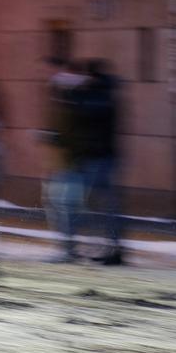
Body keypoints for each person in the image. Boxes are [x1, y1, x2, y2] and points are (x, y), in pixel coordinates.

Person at [42, 59, 88, 263]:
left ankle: (68, 249)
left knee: (64, 205)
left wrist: (52, 137)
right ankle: (68, 247)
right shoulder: (68, 100)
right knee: (61, 205)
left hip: (69, 162)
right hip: (66, 162)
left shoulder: (69, 101)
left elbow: (67, 134)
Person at [78, 59, 124, 265]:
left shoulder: (98, 96)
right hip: (104, 155)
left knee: (99, 206)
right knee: (106, 205)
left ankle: (109, 249)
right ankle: (111, 247)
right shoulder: (107, 93)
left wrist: (79, 93)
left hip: (97, 156)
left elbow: (88, 116)